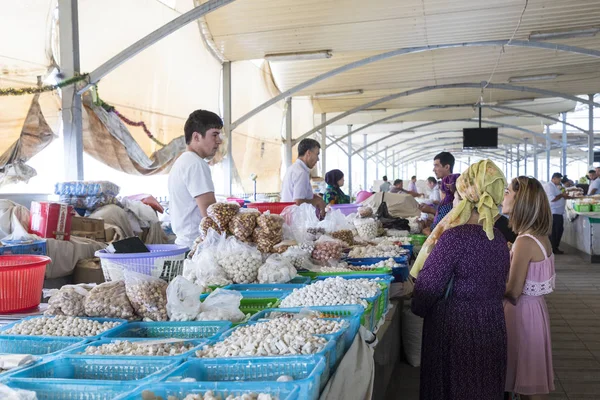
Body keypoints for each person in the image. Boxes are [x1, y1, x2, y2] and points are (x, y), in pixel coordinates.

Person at [411, 160, 510, 400]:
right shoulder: (496, 237)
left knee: (454, 388)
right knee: (482, 387)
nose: (453, 201)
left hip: (455, 331)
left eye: (457, 195)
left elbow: (426, 293)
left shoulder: (454, 238)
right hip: (491, 325)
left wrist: (416, 301)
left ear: (467, 198)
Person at [502, 176, 555, 399]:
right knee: (529, 373)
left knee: (524, 374)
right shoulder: (538, 236)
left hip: (521, 313)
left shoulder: (524, 241)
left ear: (520, 200)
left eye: (507, 192)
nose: (503, 196)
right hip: (534, 312)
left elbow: (513, 292)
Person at [168, 109, 223, 248]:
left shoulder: (183, 161)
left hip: (185, 243)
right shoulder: (196, 164)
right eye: (214, 135)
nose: (219, 141)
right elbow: (210, 214)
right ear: (197, 137)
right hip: (196, 246)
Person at [281, 138, 326, 217]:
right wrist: (317, 201)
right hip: (296, 221)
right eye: (317, 154)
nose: (318, 159)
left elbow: (300, 196)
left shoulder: (293, 168)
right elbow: (298, 202)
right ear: (308, 153)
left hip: (288, 217)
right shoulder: (301, 173)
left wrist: (314, 196)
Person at [419, 152, 455, 227]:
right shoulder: (444, 186)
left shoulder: (453, 187)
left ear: (447, 167)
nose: (433, 170)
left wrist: (430, 210)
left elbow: (452, 217)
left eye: (436, 166)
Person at [544, 172, 573, 255]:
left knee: (558, 230)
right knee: (555, 231)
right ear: (554, 179)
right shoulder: (549, 186)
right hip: (554, 212)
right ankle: (553, 248)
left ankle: (554, 247)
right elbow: (552, 199)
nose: (560, 181)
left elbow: (561, 195)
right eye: (559, 179)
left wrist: (568, 196)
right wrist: (561, 195)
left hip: (558, 212)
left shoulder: (556, 186)